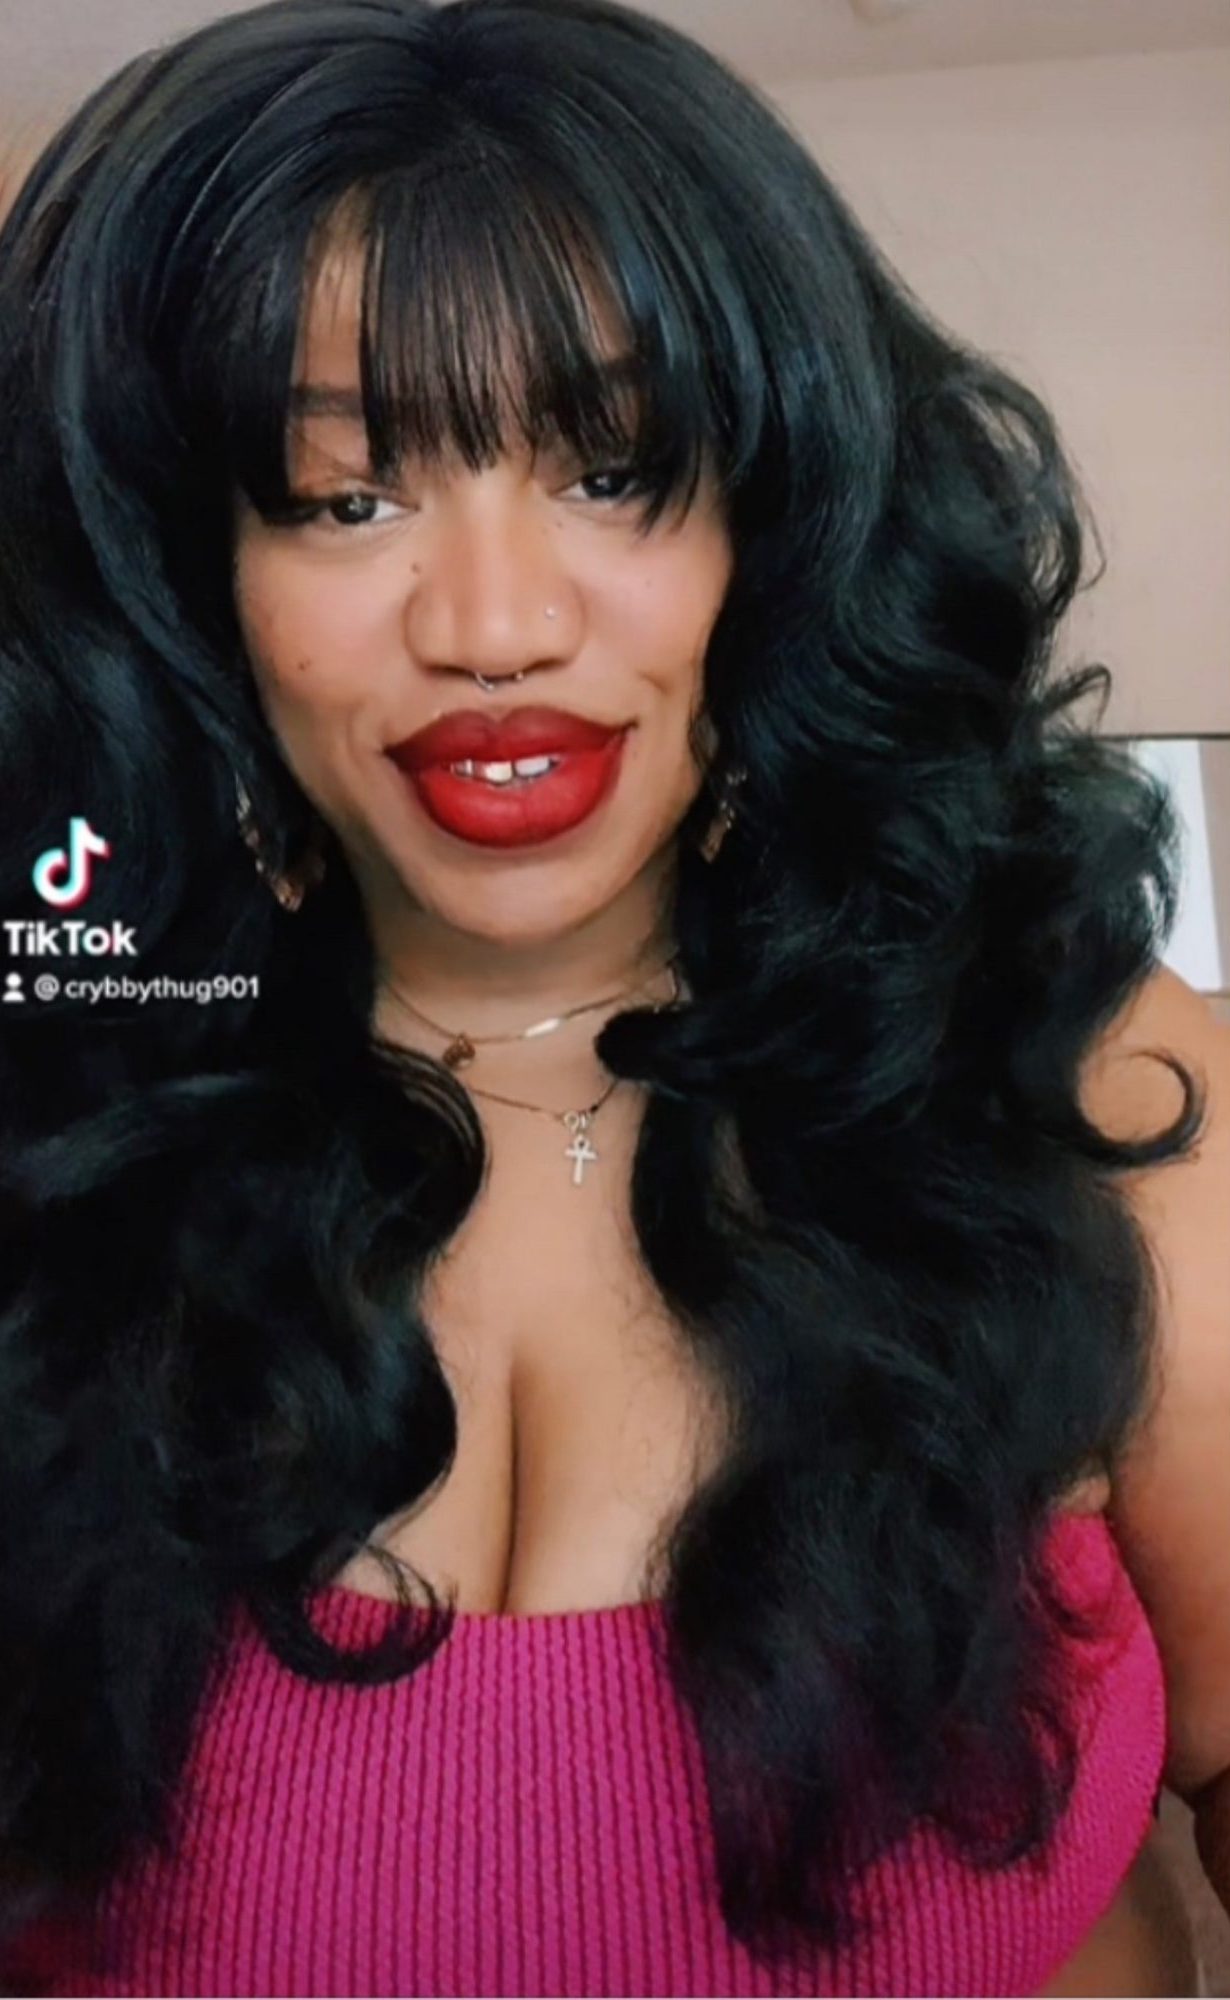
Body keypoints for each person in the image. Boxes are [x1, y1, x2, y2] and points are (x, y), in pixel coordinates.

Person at [0, 0, 1226, 1991]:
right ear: (180, 576)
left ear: (781, 517)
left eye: (615, 469)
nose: (497, 624)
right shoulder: (63, 1115)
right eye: (343, 495)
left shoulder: (1093, 1084)